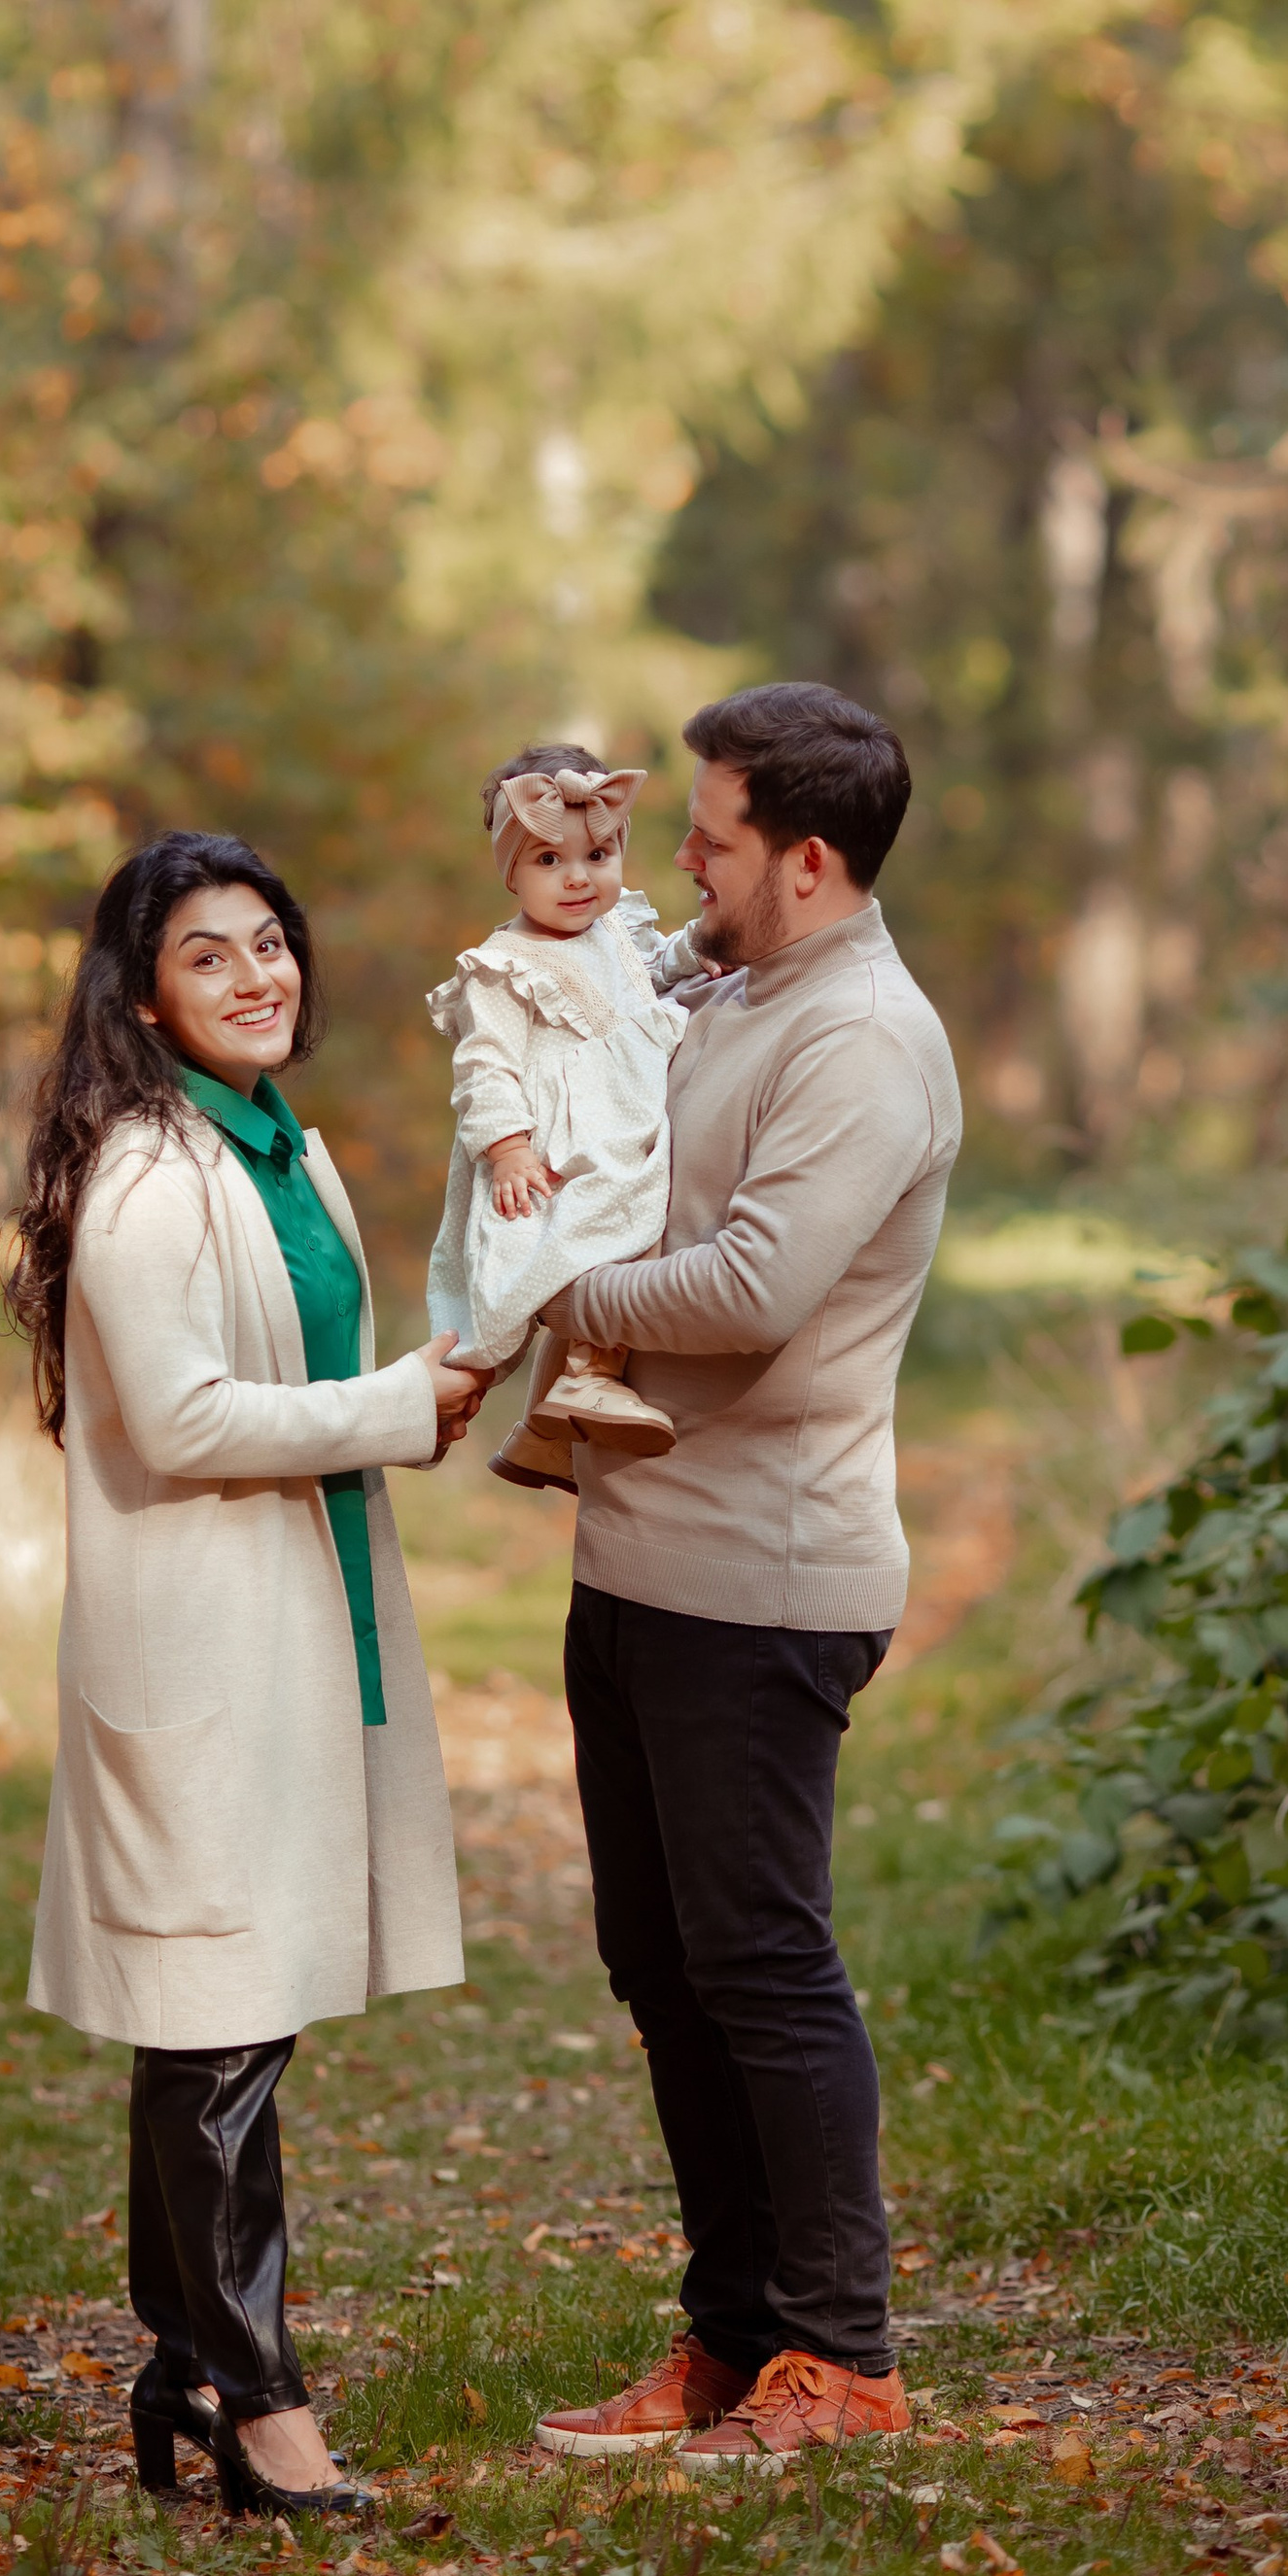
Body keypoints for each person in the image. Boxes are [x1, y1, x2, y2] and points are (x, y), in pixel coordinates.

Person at [7, 830, 483, 2523]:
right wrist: (397, 1408)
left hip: (302, 1611)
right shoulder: (143, 1167)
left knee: (233, 2012)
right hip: (203, 1633)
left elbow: (321, 1365)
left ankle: (182, 2363)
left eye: (269, 942)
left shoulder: (288, 1148)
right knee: (215, 2020)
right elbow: (187, 1413)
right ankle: (257, 2404)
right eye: (209, 955)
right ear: (142, 993)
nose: (256, 975)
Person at [527, 681, 962, 2470]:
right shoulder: (735, 981)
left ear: (807, 858)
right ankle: (731, 2340)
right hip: (640, 1552)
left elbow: (754, 1290)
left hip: (767, 1579)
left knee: (762, 1965)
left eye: (709, 834)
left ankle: (844, 2359)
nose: (679, 858)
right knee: (662, 1960)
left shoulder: (862, 1037)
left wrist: (563, 1282)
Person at [424, 745, 706, 1483]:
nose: (579, 877)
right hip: (563, 1137)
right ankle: (580, 1378)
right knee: (594, 1238)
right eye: (548, 859)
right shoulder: (503, 965)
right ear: (510, 871)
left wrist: (700, 950)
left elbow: (652, 971)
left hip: (625, 1115)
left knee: (629, 1232)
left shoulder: (615, 929)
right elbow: (484, 1064)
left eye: (598, 853)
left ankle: (550, 1422)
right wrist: (509, 1147)